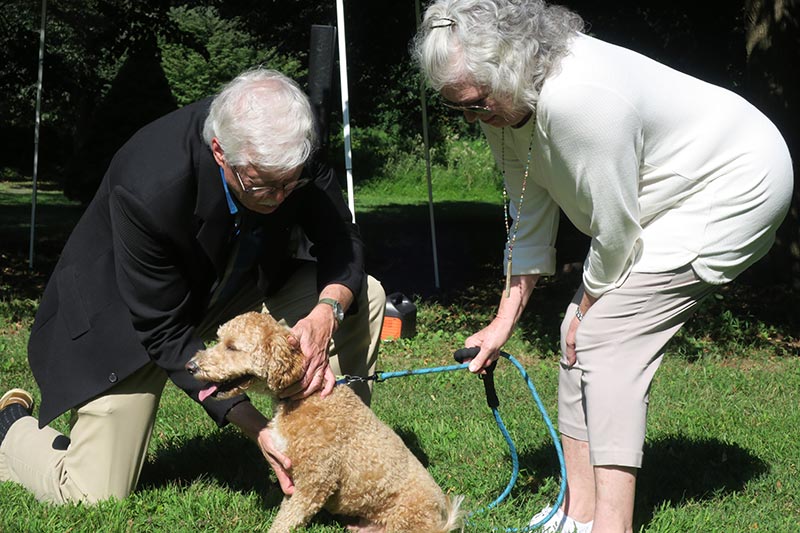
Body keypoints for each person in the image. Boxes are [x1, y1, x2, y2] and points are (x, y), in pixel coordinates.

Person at [412, 1, 793, 532]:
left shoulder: (578, 100)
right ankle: (577, 513)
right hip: (663, 196)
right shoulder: (503, 105)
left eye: (476, 103)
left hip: (734, 183)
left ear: (511, 66)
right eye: (459, 109)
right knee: (577, 330)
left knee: (606, 336)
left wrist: (590, 303)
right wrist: (503, 322)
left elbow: (614, 232)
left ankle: (612, 526)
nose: (473, 119)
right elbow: (528, 209)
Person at [0, 68, 386, 504]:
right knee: (92, 492)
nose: (280, 198)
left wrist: (326, 312)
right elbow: (163, 330)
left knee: (363, 296)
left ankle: (333, 455)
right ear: (221, 152)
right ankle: (8, 426)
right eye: (263, 186)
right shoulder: (149, 184)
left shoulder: (288, 148)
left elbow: (341, 239)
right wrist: (257, 428)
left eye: (290, 183)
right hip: (128, 320)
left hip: (228, 291)